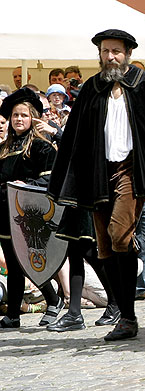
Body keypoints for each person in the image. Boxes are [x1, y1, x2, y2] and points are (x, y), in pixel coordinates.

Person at [47, 29, 145, 341]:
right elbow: (75, 133)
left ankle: (126, 312)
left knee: (118, 234)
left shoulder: (144, 84)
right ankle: (125, 315)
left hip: (130, 171)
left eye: (116, 51)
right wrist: (67, 179)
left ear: (127, 54)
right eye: (105, 51)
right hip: (98, 174)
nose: (110, 57)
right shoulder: (93, 88)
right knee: (105, 246)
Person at [0, 88, 63, 328]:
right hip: (4, 212)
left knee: (27, 261)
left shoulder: (41, 147)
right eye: (15, 116)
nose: (18, 120)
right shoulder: (4, 149)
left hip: (29, 215)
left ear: (32, 118)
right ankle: (13, 314)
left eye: (23, 116)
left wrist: (25, 185)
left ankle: (53, 299)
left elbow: (48, 181)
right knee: (13, 263)